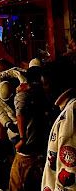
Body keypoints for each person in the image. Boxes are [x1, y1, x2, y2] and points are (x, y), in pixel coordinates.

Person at [8, 63, 49, 191]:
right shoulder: (45, 93)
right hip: (42, 146)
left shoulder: (23, 94)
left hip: (28, 148)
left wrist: (22, 139)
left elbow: (20, 115)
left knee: (17, 182)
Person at [42, 56, 76, 190]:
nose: (44, 89)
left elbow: (68, 173)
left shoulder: (70, 115)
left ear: (55, 83)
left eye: (45, 84)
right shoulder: (67, 109)